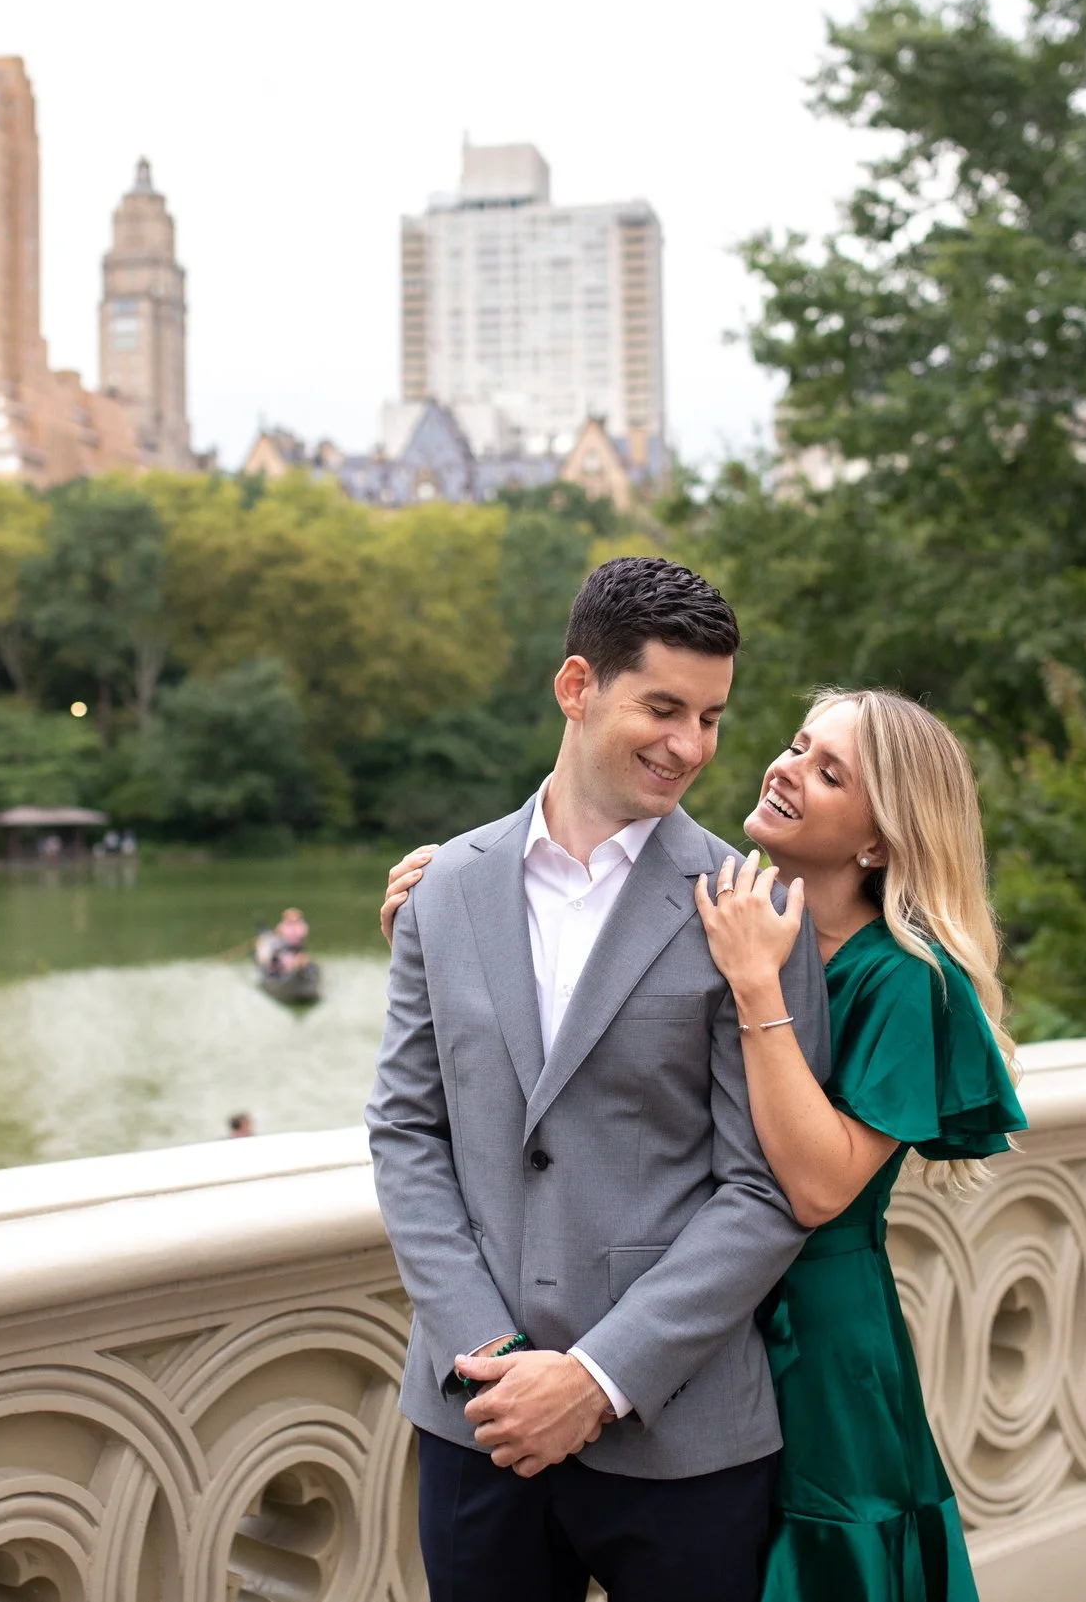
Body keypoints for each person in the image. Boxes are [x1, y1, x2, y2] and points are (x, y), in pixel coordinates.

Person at [381, 686, 1026, 1601]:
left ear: (878, 840)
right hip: (686, 1320)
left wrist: (760, 985)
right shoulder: (725, 905)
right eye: (798, 744)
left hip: (810, 1345)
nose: (786, 766)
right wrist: (456, 923)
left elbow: (808, 1190)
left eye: (828, 769)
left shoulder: (900, 979)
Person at [364, 556, 820, 1602]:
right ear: (577, 688)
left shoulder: (748, 910)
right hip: (476, 1423)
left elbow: (765, 1188)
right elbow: (406, 1132)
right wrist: (487, 1350)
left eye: (710, 717)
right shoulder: (443, 891)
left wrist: (596, 1376)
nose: (691, 746)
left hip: (684, 1432)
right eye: (663, 707)